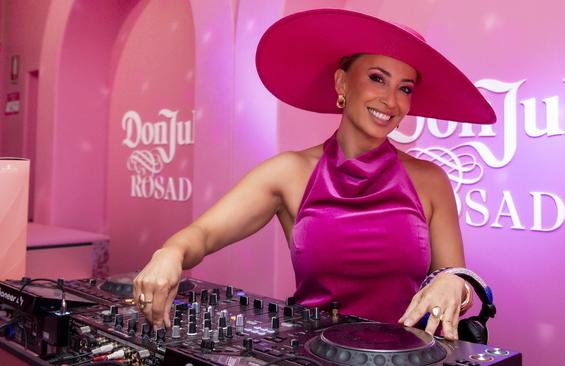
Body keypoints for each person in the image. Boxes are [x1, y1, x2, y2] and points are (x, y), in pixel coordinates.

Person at [133, 9, 495, 341]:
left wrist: (454, 284)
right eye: (377, 78)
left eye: (405, 88)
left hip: (409, 356)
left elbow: (454, 278)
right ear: (342, 83)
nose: (391, 100)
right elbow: (205, 234)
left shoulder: (430, 180)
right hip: (313, 353)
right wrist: (171, 253)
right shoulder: (289, 173)